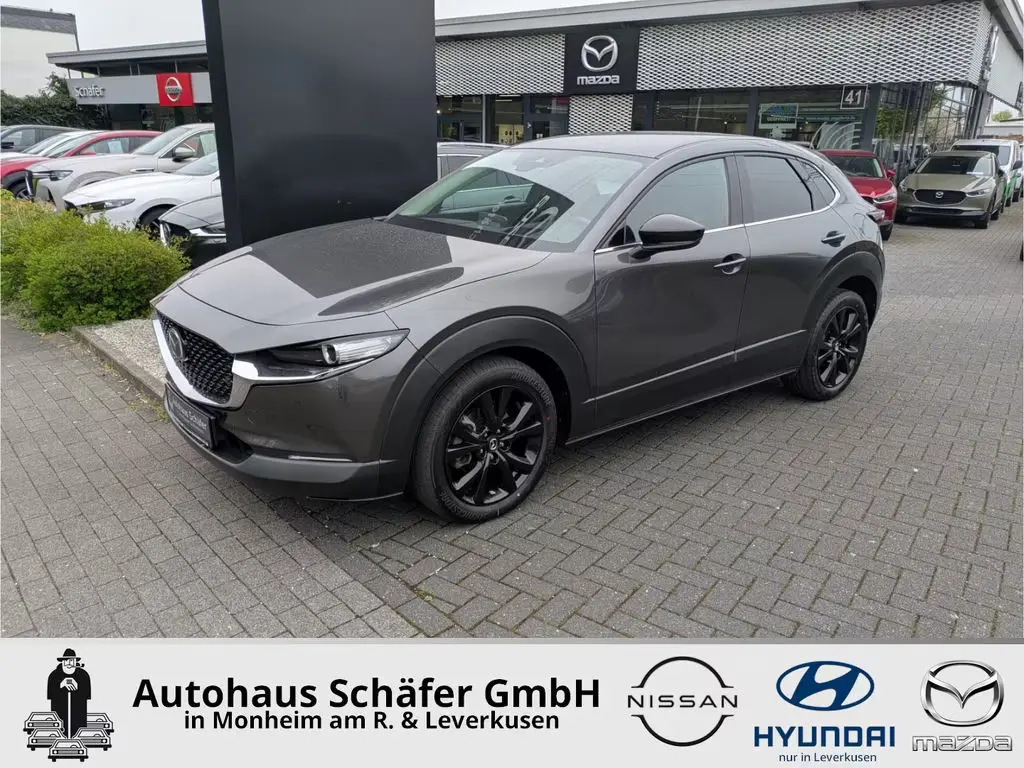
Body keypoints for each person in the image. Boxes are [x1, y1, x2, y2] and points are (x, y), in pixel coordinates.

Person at [47, 649, 91, 738]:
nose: (69, 663)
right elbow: (50, 694)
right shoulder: (54, 675)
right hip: (59, 716)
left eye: (71, 660)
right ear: (62, 662)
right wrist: (60, 685)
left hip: (78, 716)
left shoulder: (83, 675)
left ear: (76, 662)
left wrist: (78, 687)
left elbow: (87, 695)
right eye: (66, 660)